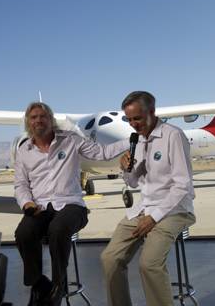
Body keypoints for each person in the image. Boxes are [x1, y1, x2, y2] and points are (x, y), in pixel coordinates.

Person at [14, 102, 129, 306]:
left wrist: (131, 139)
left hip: (71, 205)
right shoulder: (25, 150)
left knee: (58, 230)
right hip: (39, 206)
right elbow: (21, 184)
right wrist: (27, 203)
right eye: (33, 117)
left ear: (51, 120)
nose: (38, 120)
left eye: (43, 116)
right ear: (28, 123)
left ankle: (59, 285)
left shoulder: (71, 141)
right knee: (23, 233)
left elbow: (102, 153)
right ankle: (38, 283)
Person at [101, 91, 196, 306]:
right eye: (129, 119)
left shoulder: (173, 136)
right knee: (110, 259)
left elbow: (183, 185)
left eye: (138, 118)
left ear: (152, 112)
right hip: (143, 209)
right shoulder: (137, 141)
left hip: (175, 210)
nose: (133, 124)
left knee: (149, 264)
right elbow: (134, 183)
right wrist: (126, 169)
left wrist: (153, 218)